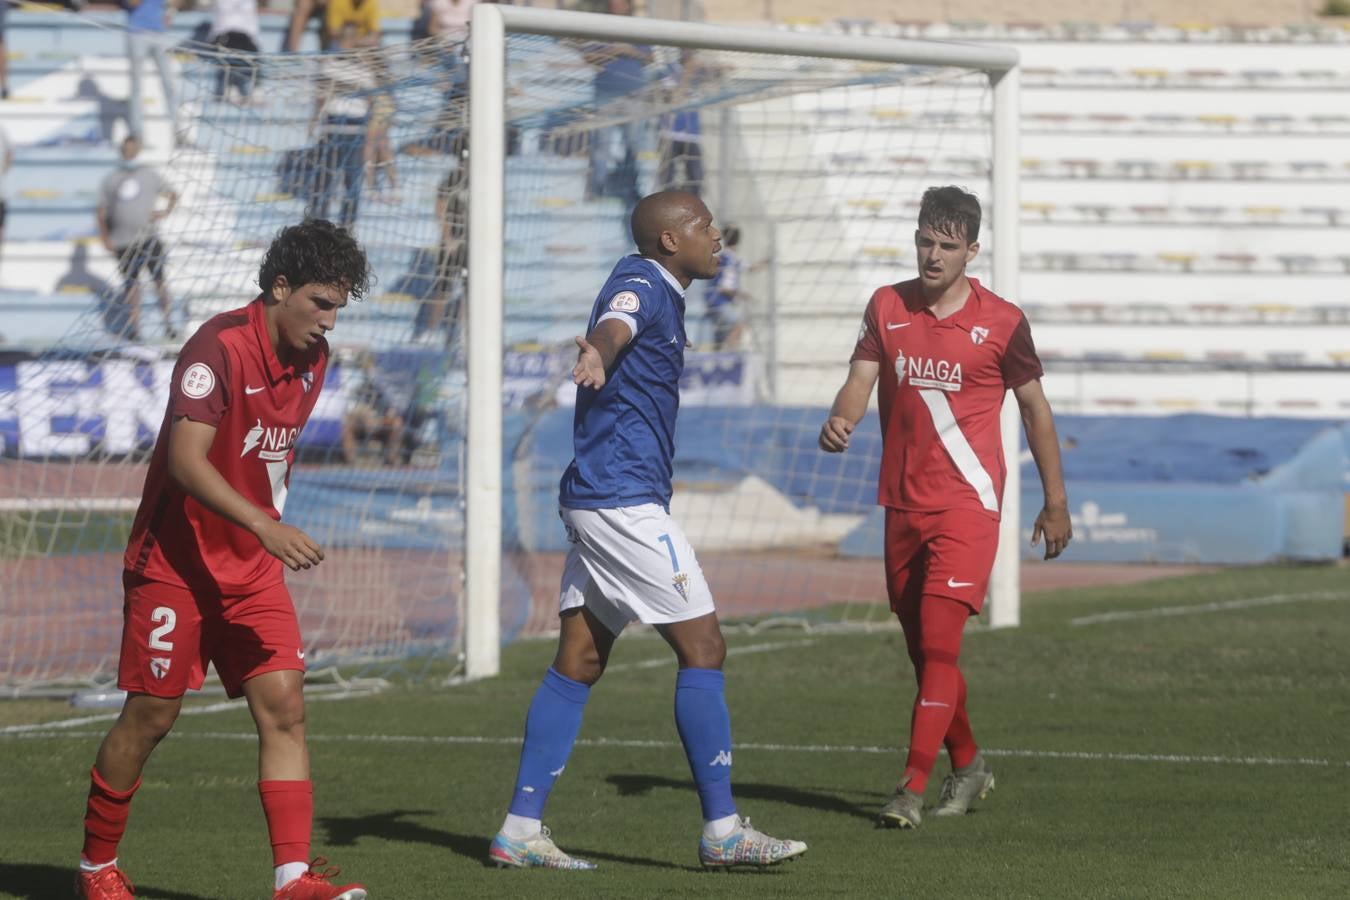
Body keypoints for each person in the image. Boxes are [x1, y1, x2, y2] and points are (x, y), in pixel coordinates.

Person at [488, 191, 808, 871]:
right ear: (670, 240)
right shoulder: (642, 284)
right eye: (702, 225)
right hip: (622, 501)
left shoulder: (657, 283)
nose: (717, 234)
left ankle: (519, 830)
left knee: (579, 660)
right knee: (705, 646)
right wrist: (601, 351)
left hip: (602, 495)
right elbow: (615, 324)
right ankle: (723, 831)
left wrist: (606, 353)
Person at [75, 220, 371, 900]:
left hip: (251, 569)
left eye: (340, 307)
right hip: (174, 566)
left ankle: (293, 879)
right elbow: (185, 463)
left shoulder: (312, 359)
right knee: (151, 716)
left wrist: (260, 536)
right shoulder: (218, 347)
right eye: (321, 303)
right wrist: (266, 528)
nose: (329, 321)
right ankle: (96, 867)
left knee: (285, 707)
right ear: (281, 287)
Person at [818, 185, 1072, 829]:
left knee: (937, 643)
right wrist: (841, 419)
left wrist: (1056, 501)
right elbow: (859, 379)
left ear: (971, 251)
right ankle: (969, 763)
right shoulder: (886, 305)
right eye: (925, 241)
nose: (933, 255)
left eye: (947, 246)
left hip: (968, 505)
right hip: (901, 503)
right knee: (926, 653)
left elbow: (1036, 409)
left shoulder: (1003, 322)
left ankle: (909, 788)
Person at [97, 135, 179, 341]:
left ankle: (168, 323)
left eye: (133, 150)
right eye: (126, 150)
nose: (129, 154)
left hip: (149, 238)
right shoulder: (111, 179)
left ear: (138, 151)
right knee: (132, 285)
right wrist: (105, 237)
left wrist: (165, 212)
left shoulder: (149, 175)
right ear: (121, 151)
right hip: (123, 241)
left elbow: (173, 194)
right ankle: (135, 329)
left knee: (160, 281)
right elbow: (101, 211)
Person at [306, 26, 374, 231]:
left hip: (355, 127)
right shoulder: (329, 64)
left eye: (350, 40)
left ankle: (348, 227)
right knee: (324, 179)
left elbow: (370, 97)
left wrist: (342, 87)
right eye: (343, 39)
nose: (346, 44)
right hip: (333, 125)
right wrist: (314, 119)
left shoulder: (364, 68)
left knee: (352, 181)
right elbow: (322, 94)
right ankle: (318, 226)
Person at [124, 0, 182, 146]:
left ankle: (179, 132)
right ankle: (137, 134)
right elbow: (132, 3)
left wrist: (170, 12)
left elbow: (177, 2)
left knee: (169, 84)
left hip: (159, 33)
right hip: (137, 33)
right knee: (136, 87)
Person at [209, 0, 262, 104]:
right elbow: (223, 24)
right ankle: (232, 86)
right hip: (224, 39)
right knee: (233, 43)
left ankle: (254, 88)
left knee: (244, 44)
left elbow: (251, 28)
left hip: (246, 40)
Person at [704, 223, 743, 350]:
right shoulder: (729, 259)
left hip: (712, 300)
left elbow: (748, 267)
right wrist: (740, 294)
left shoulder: (726, 256)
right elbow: (724, 287)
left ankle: (719, 355)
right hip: (720, 301)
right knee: (738, 324)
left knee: (719, 335)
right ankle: (732, 354)